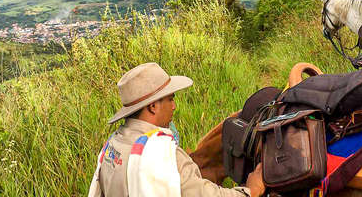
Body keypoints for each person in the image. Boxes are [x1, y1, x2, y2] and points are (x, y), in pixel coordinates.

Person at [88, 62, 265, 197]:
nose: (174, 106)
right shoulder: (162, 155)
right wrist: (250, 190)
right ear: (152, 107)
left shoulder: (112, 146)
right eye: (170, 99)